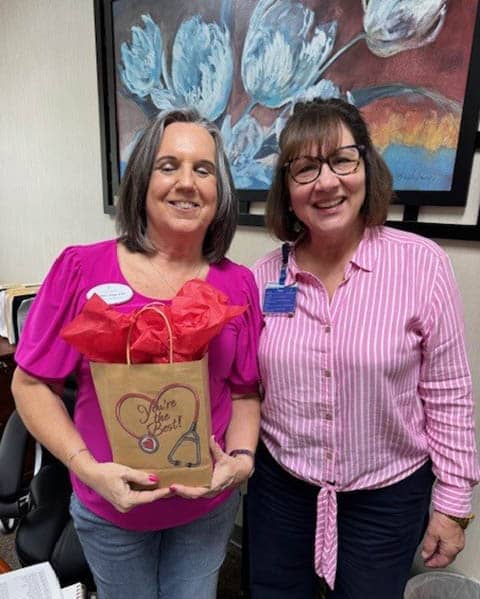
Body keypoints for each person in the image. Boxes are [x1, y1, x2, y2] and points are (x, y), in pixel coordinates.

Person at [12, 108, 261, 599]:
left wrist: (243, 460)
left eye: (203, 169)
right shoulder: (82, 269)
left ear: (220, 191)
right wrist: (86, 467)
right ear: (143, 181)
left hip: (205, 509)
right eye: (169, 166)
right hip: (111, 509)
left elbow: (246, 391)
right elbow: (29, 383)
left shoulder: (239, 284)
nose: (187, 183)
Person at [247, 98, 480, 599]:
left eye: (342, 160)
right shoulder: (263, 278)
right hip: (281, 491)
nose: (326, 182)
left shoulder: (421, 265)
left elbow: (449, 393)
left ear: (366, 167)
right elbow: (245, 387)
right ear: (287, 190)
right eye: (306, 168)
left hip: (387, 498)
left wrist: (453, 505)